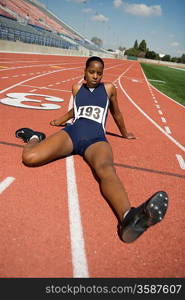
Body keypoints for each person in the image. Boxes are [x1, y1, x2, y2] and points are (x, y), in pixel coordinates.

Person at [15, 56, 169, 243]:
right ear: (85, 72)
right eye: (92, 72)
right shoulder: (76, 87)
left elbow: (116, 112)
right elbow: (76, 110)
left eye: (99, 73)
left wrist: (125, 133)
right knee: (30, 157)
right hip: (72, 134)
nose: (95, 76)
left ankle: (129, 217)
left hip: (96, 139)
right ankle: (34, 137)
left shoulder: (109, 88)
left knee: (105, 169)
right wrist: (60, 121)